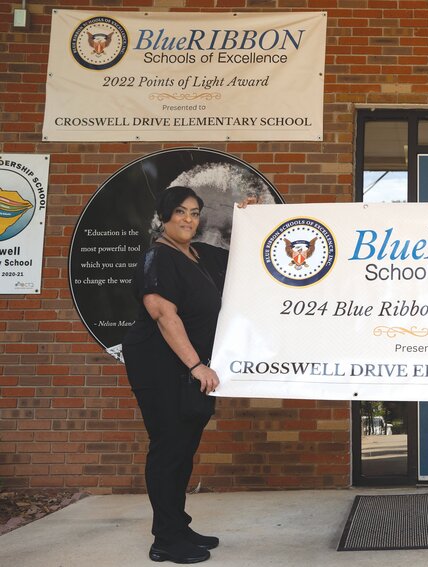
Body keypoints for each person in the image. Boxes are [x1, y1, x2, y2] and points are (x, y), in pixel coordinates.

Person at [122, 186, 254, 563]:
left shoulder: (201, 254)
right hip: (161, 362)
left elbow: (248, 255)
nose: (188, 219)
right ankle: (164, 539)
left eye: (195, 213)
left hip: (191, 365)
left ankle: (178, 525)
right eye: (179, 212)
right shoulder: (158, 257)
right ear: (164, 216)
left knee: (185, 446)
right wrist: (196, 365)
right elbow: (165, 315)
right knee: (169, 448)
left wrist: (251, 217)